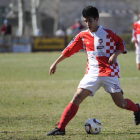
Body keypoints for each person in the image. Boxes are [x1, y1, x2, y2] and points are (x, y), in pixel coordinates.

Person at [47, 6, 140, 136]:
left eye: (90, 21)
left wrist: (115, 55)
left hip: (109, 72)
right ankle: (61, 128)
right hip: (92, 73)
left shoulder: (108, 33)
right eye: (85, 21)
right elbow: (69, 50)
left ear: (97, 19)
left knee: (121, 103)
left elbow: (121, 44)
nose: (87, 24)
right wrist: (55, 62)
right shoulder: (83, 36)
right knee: (77, 97)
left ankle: (137, 109)